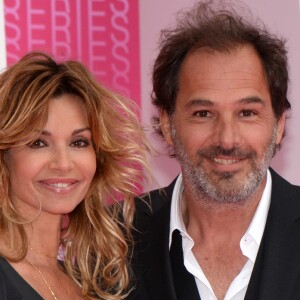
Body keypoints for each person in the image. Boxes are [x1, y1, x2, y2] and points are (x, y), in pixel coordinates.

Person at [130, 1, 300, 300]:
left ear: (279, 125)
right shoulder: (113, 238)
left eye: (247, 112)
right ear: (168, 125)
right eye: (203, 113)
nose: (227, 139)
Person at [0, 51, 149, 300]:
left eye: (79, 142)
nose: (63, 163)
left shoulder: (94, 281)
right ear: (5, 156)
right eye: (38, 142)